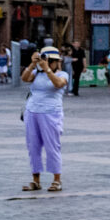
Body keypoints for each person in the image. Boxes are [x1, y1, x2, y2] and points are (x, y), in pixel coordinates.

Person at [21, 45, 70, 193]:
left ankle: (57, 180)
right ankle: (36, 180)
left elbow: (58, 84)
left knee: (52, 146)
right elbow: (24, 78)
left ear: (56, 62)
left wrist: (47, 69)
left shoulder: (63, 74)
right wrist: (32, 64)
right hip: (32, 111)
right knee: (33, 146)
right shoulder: (37, 72)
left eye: (50, 61)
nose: (46, 64)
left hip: (51, 113)